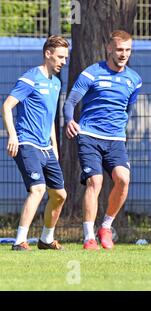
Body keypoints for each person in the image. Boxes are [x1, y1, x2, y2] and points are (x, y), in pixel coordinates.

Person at [63, 30, 142, 250]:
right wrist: (69, 120)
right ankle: (88, 237)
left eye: (127, 50)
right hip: (89, 136)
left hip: (116, 140)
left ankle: (105, 227)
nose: (123, 54)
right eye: (119, 49)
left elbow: (128, 108)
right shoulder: (91, 73)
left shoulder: (134, 80)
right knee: (94, 182)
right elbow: (70, 102)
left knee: (123, 180)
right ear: (109, 48)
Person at [2, 36, 69, 251]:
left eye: (65, 58)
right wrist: (12, 135)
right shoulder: (30, 79)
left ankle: (46, 239)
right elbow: (6, 106)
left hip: (46, 147)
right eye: (60, 57)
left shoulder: (56, 83)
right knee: (38, 189)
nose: (63, 62)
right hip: (26, 142)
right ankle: (19, 241)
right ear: (47, 54)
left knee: (60, 195)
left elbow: (49, 117)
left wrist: (54, 148)